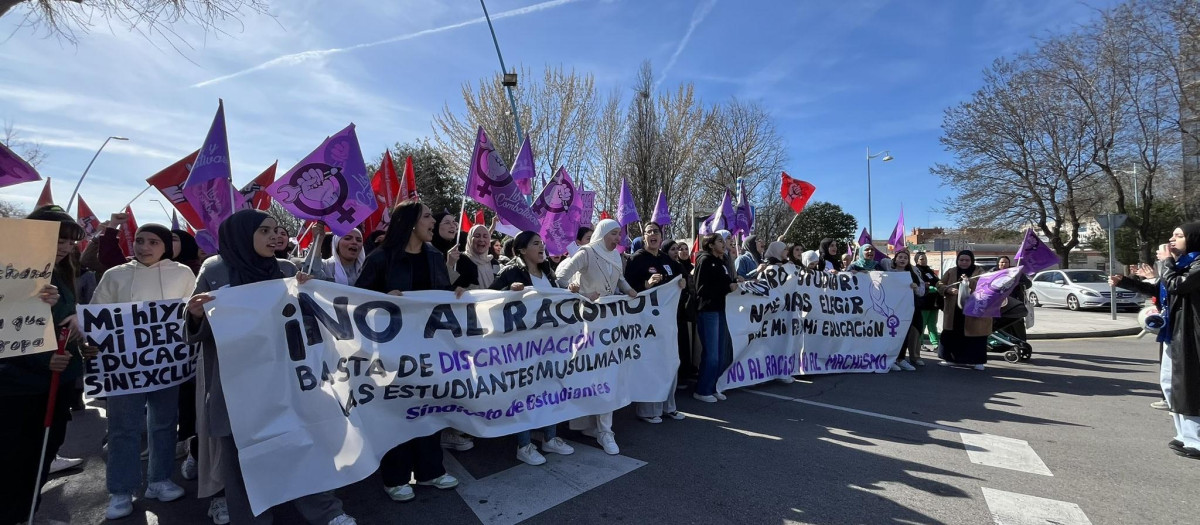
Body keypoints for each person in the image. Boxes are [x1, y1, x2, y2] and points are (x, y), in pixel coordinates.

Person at [187, 209, 356, 524]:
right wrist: (196, 316)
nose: (274, 237)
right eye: (264, 231)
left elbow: (315, 312)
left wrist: (309, 286)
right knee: (243, 461)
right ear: (241, 235)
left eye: (276, 231)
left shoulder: (286, 269)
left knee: (304, 445)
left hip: (286, 378)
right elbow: (198, 328)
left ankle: (326, 512)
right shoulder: (215, 270)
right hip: (237, 385)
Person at [355, 201, 463, 502]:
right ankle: (395, 476)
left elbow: (441, 299)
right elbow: (356, 300)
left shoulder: (433, 257)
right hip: (390, 353)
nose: (433, 221)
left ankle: (431, 472)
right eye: (428, 216)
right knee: (396, 412)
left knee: (428, 408)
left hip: (427, 351)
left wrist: (457, 295)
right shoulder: (380, 258)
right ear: (411, 223)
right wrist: (381, 299)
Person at [91, 224, 196, 519]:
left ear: (165, 246)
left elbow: (191, 315)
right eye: (139, 241)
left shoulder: (183, 274)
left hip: (167, 364)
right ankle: (121, 490)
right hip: (124, 366)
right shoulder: (115, 275)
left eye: (152, 242)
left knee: (164, 422)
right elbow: (98, 315)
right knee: (124, 428)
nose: (144, 247)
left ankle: (159, 479)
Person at [0, 205, 92, 525]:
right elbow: (11, 331)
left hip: (58, 381)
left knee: (41, 454)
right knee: (13, 459)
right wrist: (42, 359)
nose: (66, 249)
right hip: (15, 387)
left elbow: (59, 323)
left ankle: (27, 514)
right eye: (58, 241)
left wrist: (78, 329)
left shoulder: (62, 273)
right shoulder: (9, 269)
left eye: (71, 243)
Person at [490, 231, 579, 465]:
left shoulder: (547, 272)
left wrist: (571, 291)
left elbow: (555, 298)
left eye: (542, 243)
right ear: (521, 250)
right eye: (535, 244)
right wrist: (508, 291)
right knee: (525, 392)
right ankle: (524, 444)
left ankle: (550, 438)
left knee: (550, 388)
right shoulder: (510, 271)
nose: (542, 247)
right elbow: (486, 298)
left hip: (548, 344)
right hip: (521, 347)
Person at [1113, 223, 1200, 458]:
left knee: (1189, 387)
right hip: (1174, 331)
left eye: (1179, 235)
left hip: (1191, 334)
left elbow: (1177, 286)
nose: (1172, 239)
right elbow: (1160, 289)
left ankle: (1197, 440)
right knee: (1171, 385)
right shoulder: (1182, 264)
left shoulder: (1196, 264)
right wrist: (1124, 282)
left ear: (1193, 239)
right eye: (1172, 234)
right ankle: (1184, 435)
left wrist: (1167, 262)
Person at [556, 219, 636, 455]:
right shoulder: (587, 252)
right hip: (587, 325)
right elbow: (561, 275)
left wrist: (631, 290)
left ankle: (605, 430)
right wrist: (580, 292)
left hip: (611, 323)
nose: (618, 238)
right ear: (601, 235)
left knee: (608, 373)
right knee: (588, 374)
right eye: (613, 234)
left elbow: (618, 279)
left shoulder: (617, 256)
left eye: (619, 234)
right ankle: (586, 424)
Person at [624, 222, 687, 423]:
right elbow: (628, 288)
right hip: (646, 322)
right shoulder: (636, 260)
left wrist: (683, 281)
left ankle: (669, 406)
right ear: (644, 237)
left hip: (667, 322)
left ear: (661, 237)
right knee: (651, 364)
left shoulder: (666, 259)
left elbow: (681, 273)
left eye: (656, 232)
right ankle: (648, 410)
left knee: (669, 362)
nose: (653, 235)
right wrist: (646, 284)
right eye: (648, 232)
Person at [693, 233, 740, 403]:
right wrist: (727, 287)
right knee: (711, 354)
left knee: (720, 353)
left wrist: (734, 281)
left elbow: (725, 282)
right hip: (708, 310)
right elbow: (701, 289)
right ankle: (702, 389)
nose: (724, 243)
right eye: (720, 241)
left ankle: (713, 387)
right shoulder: (705, 260)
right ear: (711, 245)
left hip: (721, 309)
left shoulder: (722, 262)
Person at [936, 250, 991, 371]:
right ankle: (950, 359)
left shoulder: (979, 271)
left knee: (975, 335)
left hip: (973, 310)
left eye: (967, 260)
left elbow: (985, 286)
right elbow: (939, 284)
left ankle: (977, 361)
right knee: (952, 334)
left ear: (971, 261)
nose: (964, 262)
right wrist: (947, 290)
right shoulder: (951, 271)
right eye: (961, 260)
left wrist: (969, 281)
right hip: (954, 310)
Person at [666, 240, 698, 383]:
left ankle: (684, 372)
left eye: (685, 249)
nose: (681, 251)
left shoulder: (683, 267)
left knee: (683, 343)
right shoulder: (665, 266)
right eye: (676, 249)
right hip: (670, 313)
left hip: (682, 312)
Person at [887, 250, 923, 372]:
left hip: (907, 310)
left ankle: (901, 359)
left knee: (904, 334)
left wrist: (916, 288)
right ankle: (890, 359)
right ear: (895, 259)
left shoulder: (913, 274)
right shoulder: (888, 274)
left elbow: (922, 291)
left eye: (905, 258)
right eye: (900, 257)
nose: (902, 259)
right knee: (891, 335)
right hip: (891, 310)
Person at [995, 255, 1031, 343]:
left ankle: (1022, 343)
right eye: (1002, 262)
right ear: (998, 264)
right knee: (1004, 325)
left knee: (1017, 324)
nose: (1004, 264)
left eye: (1006, 262)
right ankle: (1007, 343)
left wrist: (1017, 282)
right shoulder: (993, 273)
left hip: (1015, 303)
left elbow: (1028, 284)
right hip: (1000, 304)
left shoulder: (1016, 272)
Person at [913, 251, 941, 355]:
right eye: (921, 259)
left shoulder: (930, 270)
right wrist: (929, 287)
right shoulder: (916, 271)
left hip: (933, 302)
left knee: (932, 324)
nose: (924, 260)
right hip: (923, 302)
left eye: (925, 258)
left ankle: (935, 344)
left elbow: (937, 281)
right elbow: (919, 284)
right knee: (922, 324)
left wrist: (940, 285)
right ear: (916, 260)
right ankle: (919, 344)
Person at [463, 224, 499, 290]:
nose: (481, 239)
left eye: (485, 236)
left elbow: (500, 285)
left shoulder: (494, 263)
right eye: (477, 236)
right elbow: (450, 283)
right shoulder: (459, 260)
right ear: (469, 239)